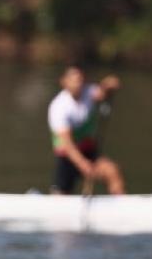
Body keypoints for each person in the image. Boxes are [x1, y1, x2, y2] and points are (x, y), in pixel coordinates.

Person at [48, 65, 126, 195]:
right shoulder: (59, 107)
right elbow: (67, 144)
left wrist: (107, 85)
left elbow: (101, 93)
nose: (78, 84)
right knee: (60, 195)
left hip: (88, 150)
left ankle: (121, 201)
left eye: (80, 80)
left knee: (112, 171)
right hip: (67, 156)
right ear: (64, 82)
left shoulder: (87, 91)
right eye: (74, 80)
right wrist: (83, 165)